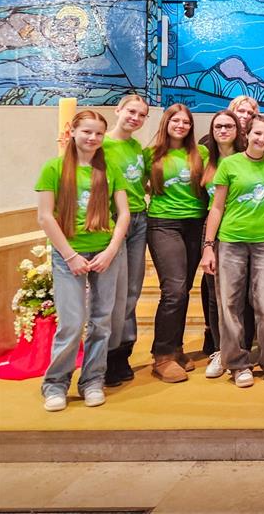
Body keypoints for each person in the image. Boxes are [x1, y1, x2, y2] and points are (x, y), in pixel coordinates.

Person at [36, 110, 129, 412]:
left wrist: (111, 251)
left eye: (99, 133)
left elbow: (123, 214)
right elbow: (45, 216)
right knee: (73, 323)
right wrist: (70, 256)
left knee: (101, 321)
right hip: (69, 255)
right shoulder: (53, 168)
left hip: (105, 253)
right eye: (87, 131)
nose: (93, 138)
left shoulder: (110, 168)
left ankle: (92, 381)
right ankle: (55, 384)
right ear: (73, 131)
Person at [200, 115, 264, 388]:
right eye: (257, 133)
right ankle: (237, 364)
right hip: (231, 241)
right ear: (247, 134)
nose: (262, 139)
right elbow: (217, 207)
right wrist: (208, 246)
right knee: (230, 304)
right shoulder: (229, 164)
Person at [144, 104, 209, 383]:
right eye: (176, 121)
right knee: (173, 290)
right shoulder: (150, 154)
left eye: (186, 122)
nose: (181, 125)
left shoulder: (201, 153)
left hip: (195, 223)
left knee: (183, 289)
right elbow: (139, 185)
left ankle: (176, 348)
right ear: (166, 123)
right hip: (163, 223)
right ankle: (162, 356)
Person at [101, 95, 150, 387]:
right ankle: (107, 353)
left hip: (139, 219)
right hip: (112, 222)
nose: (135, 118)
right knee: (113, 291)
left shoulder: (136, 148)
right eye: (131, 112)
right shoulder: (101, 144)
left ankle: (123, 351)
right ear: (118, 110)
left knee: (132, 289)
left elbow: (140, 183)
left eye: (142, 115)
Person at [199, 109, 245, 379]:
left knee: (242, 295)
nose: (224, 130)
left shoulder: (247, 157)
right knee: (216, 294)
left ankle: (242, 347)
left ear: (238, 130)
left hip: (243, 230)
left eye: (229, 126)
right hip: (214, 230)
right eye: (219, 126)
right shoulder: (205, 160)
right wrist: (207, 243)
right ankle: (220, 350)